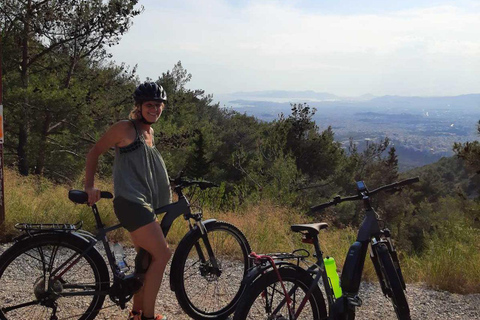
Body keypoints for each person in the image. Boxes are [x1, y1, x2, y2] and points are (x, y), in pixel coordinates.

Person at [85, 82, 172, 320]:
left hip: (144, 203)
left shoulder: (149, 133)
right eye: (150, 105)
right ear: (139, 106)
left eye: (159, 105)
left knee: (145, 260)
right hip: (130, 202)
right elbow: (94, 152)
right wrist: (89, 185)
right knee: (163, 254)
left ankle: (136, 313)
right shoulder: (125, 128)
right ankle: (148, 317)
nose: (155, 109)